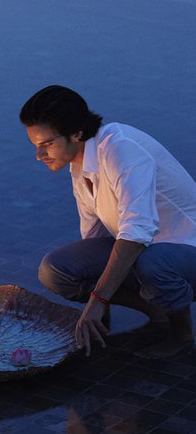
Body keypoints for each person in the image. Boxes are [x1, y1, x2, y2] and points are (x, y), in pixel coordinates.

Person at [20, 85, 196, 358]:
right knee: (56, 271)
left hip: (184, 250)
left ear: (77, 133)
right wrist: (98, 306)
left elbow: (137, 233)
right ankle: (157, 311)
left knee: (154, 262)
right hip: (146, 250)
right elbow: (93, 235)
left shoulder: (121, 149)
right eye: (36, 146)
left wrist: (98, 300)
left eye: (47, 144)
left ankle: (182, 333)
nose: (39, 156)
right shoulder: (79, 163)